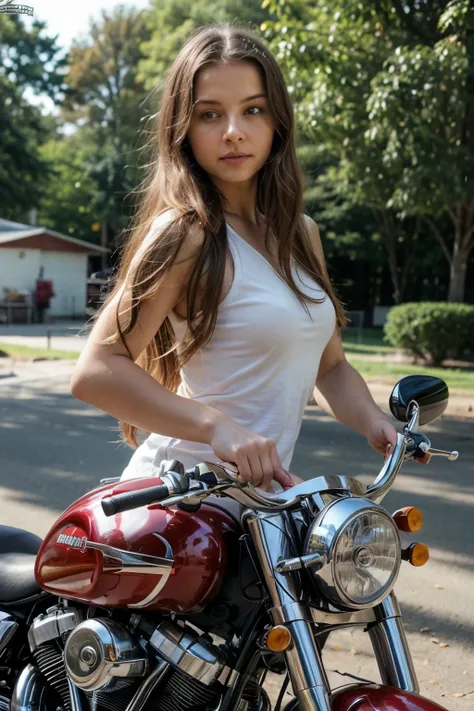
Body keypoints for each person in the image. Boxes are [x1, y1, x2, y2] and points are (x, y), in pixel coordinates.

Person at [71, 23, 427, 493]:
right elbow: (95, 372)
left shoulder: (301, 234)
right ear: (183, 128)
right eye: (210, 115)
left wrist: (372, 421)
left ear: (277, 120)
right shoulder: (185, 233)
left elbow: (330, 367)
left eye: (252, 110)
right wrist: (216, 426)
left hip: (266, 503)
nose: (234, 132)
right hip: (182, 501)